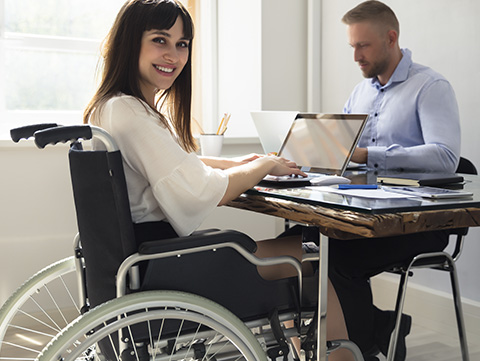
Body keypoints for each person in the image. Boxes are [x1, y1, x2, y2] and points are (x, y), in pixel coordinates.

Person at [83, 1, 354, 360]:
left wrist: (241, 162)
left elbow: (175, 164)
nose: (174, 55)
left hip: (140, 264)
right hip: (165, 268)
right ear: (130, 42)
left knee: (293, 247)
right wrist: (265, 165)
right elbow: (198, 190)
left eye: (182, 44)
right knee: (310, 256)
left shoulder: (110, 108)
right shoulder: (129, 111)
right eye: (160, 40)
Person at [328, 1, 461, 361]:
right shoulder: (361, 92)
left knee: (336, 258)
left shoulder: (430, 86)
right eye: (352, 46)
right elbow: (346, 149)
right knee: (304, 244)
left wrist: (372, 155)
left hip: (417, 224)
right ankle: (380, 327)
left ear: (391, 38)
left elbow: (446, 157)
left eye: (363, 45)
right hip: (367, 212)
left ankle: (366, 350)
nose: (355, 56)